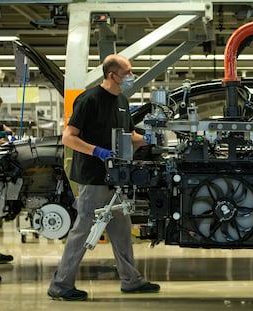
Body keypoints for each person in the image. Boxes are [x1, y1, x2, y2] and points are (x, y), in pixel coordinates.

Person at [47, 54, 160, 301]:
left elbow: (129, 135)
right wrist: (96, 151)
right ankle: (61, 284)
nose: (131, 76)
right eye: (127, 72)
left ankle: (131, 280)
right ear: (112, 75)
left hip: (116, 176)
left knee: (121, 230)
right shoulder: (89, 99)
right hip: (93, 177)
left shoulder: (121, 99)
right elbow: (69, 137)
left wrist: (151, 137)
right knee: (83, 230)